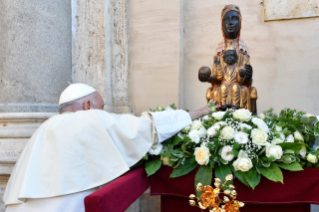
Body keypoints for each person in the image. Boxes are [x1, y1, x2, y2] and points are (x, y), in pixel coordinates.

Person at [3, 83, 219, 212]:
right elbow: (146, 127)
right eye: (101, 106)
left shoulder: (44, 128)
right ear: (88, 106)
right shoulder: (87, 120)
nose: (103, 112)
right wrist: (195, 114)